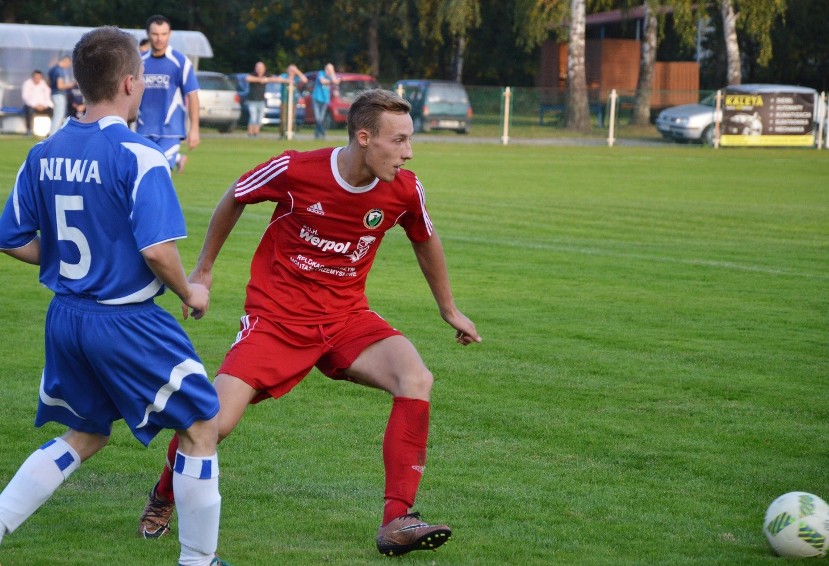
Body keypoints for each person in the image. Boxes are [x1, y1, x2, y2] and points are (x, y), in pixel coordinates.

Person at [138, 88, 480, 557]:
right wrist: (204, 269)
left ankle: (396, 520)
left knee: (415, 377)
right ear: (365, 138)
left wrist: (448, 308)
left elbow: (425, 238)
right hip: (277, 321)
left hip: (346, 318)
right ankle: (163, 494)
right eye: (398, 140)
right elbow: (236, 194)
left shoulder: (404, 188)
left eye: (409, 140)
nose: (408, 152)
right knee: (213, 423)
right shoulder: (298, 169)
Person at [0, 26, 226, 566]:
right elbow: (157, 251)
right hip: (125, 321)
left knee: (86, 433)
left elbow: (11, 237)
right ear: (130, 81)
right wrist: (191, 291)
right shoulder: (139, 154)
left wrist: (59, 261)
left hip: (67, 318)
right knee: (202, 424)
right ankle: (199, 561)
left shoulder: (43, 152)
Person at [137, 14, 200, 174]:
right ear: (148, 34)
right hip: (143, 131)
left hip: (170, 132)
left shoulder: (180, 62)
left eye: (163, 34)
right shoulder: (138, 62)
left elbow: (192, 95)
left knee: (160, 173)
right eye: (155, 34)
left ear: (170, 34)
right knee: (144, 177)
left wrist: (194, 129)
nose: (159, 38)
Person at [244, 61, 275, 137]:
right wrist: (260, 80)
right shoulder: (253, 74)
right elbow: (247, 78)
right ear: (256, 68)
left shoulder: (266, 75)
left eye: (262, 68)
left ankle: (256, 133)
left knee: (260, 118)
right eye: (259, 68)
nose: (260, 69)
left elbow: (273, 79)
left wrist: (266, 79)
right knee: (253, 117)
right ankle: (250, 132)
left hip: (261, 101)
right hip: (252, 100)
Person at [278, 63, 307, 140]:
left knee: (292, 118)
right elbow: (277, 79)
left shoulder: (296, 78)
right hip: (284, 100)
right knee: (283, 118)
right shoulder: (284, 76)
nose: (291, 71)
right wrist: (287, 80)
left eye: (293, 70)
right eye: (290, 69)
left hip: (293, 101)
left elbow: (305, 80)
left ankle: (291, 134)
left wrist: (297, 71)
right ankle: (282, 134)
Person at [47, 55, 75, 135]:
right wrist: (71, 85)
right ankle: (53, 134)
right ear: (66, 61)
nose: (68, 66)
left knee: (57, 115)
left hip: (53, 94)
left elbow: (48, 82)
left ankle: (53, 133)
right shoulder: (60, 70)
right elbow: (60, 86)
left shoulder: (52, 69)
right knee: (59, 116)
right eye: (69, 64)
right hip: (59, 94)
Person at [311, 62, 340, 139]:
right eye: (327, 69)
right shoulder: (321, 73)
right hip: (317, 98)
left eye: (330, 69)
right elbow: (322, 81)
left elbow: (335, 81)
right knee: (317, 118)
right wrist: (332, 81)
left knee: (321, 118)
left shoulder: (331, 76)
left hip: (325, 100)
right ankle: (322, 131)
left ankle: (317, 135)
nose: (328, 70)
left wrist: (332, 73)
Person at [21, 70, 53, 136]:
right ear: (33, 77)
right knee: (28, 110)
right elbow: (25, 97)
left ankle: (51, 130)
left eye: (39, 77)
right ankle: (29, 130)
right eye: (36, 77)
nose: (37, 78)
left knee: (51, 110)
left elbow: (48, 96)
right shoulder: (27, 84)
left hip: (43, 106)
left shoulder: (44, 84)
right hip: (31, 106)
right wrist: (35, 106)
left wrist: (44, 105)